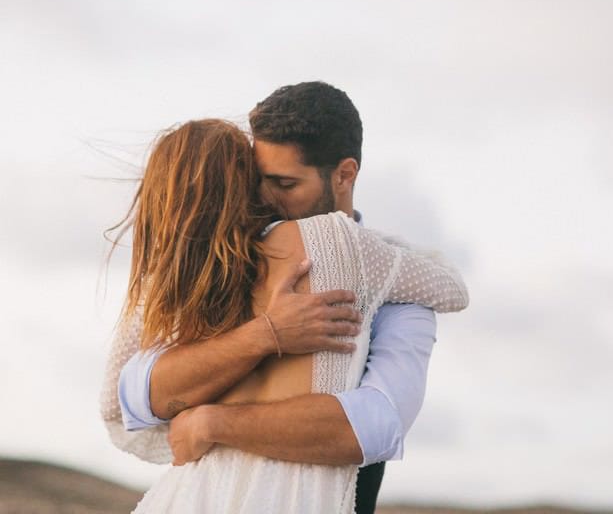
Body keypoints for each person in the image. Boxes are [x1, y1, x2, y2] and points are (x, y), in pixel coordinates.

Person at [99, 83, 463, 513]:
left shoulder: (386, 280)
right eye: (257, 181)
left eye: (285, 183)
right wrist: (264, 334)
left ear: (344, 175)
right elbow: (135, 397)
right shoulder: (224, 259)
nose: (266, 198)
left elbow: (375, 426)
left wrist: (212, 422)